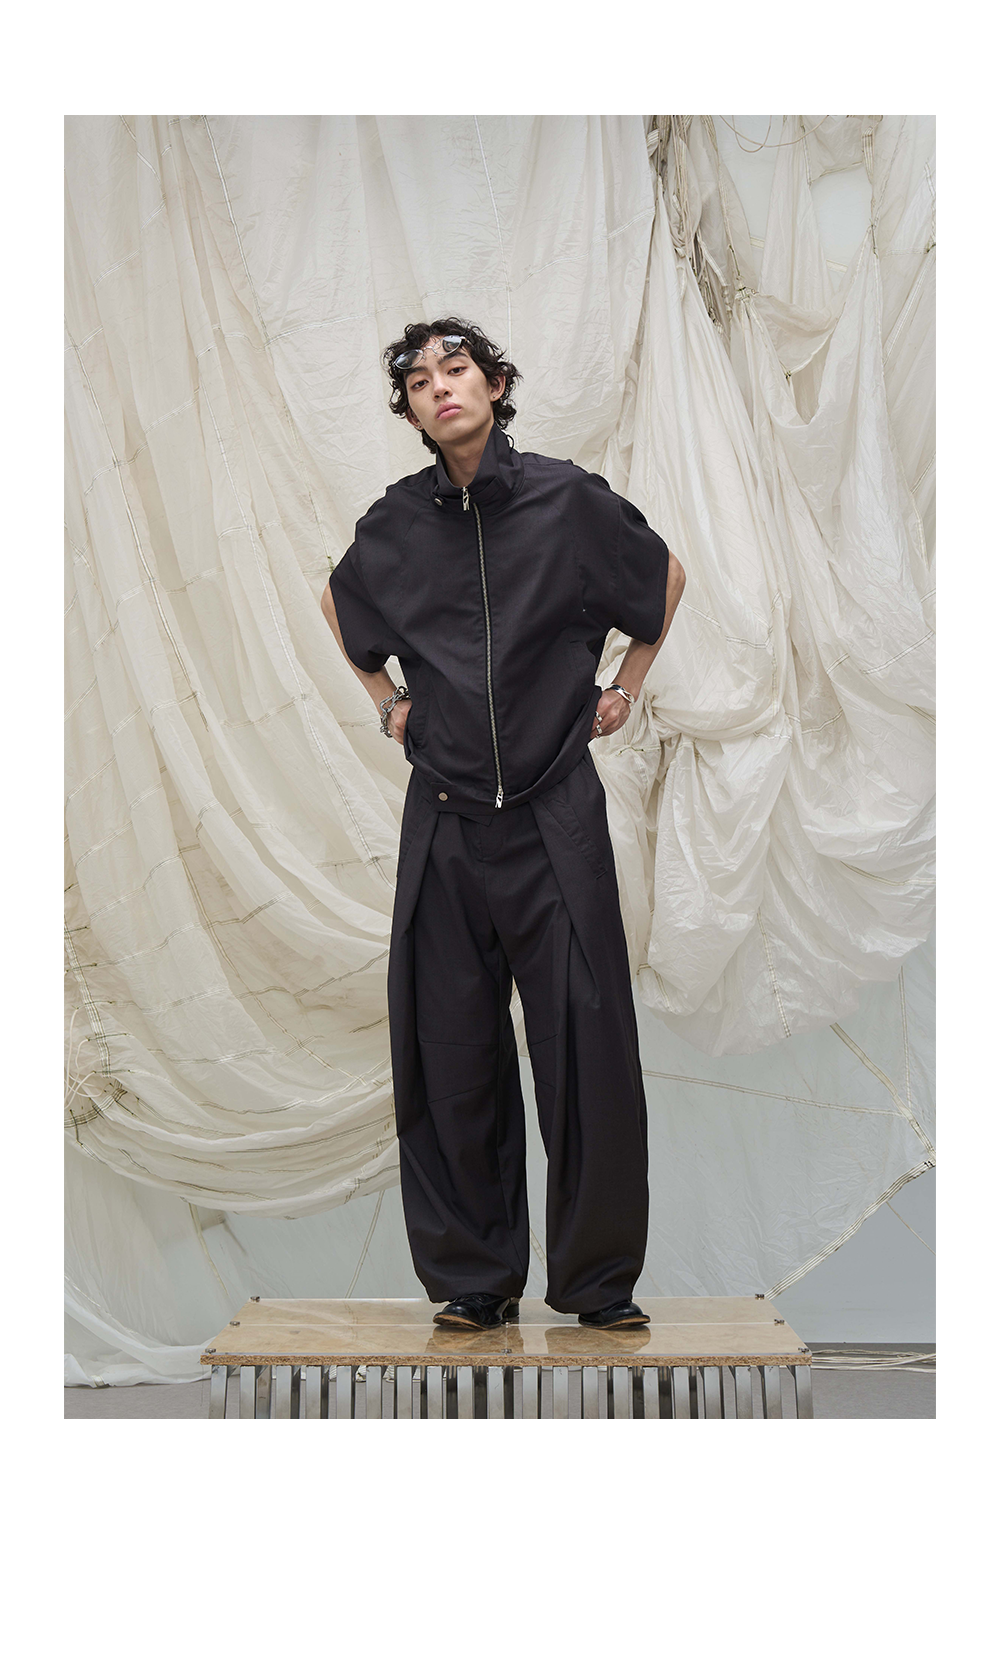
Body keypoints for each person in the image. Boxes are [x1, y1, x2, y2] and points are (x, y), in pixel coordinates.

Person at [321, 318, 685, 1331]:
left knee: (586, 1047)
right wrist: (388, 703)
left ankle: (598, 1283)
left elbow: (663, 577)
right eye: (420, 381)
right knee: (451, 1049)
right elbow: (339, 603)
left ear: (494, 384)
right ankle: (476, 1278)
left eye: (458, 369)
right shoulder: (396, 522)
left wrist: (625, 685)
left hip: (554, 812)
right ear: (410, 411)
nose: (441, 387)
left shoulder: (567, 500)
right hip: (445, 820)